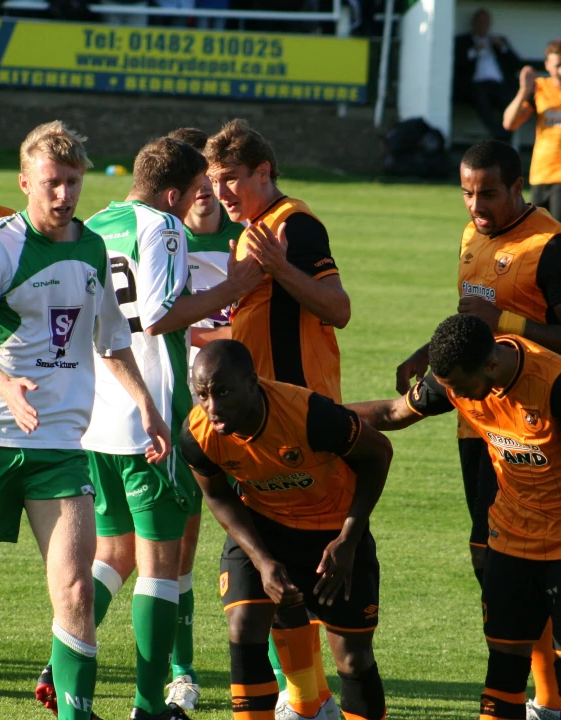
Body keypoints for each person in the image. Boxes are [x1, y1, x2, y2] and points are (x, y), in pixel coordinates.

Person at [36, 135, 262, 720]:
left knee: (108, 554)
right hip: (150, 419)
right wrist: (233, 289)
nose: (197, 204)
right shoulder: (161, 227)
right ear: (172, 193)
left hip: (92, 419)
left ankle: (69, 690)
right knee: (161, 566)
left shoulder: (98, 222)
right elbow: (158, 316)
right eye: (192, 193)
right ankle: (148, 706)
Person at [0, 120, 169, 720]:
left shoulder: (92, 245)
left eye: (72, 183)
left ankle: (75, 713)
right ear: (25, 182)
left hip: (60, 446)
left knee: (75, 589)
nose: (63, 195)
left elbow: (112, 339)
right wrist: (5, 384)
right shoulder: (2, 247)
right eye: (51, 183)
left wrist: (147, 404)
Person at [395, 139, 561, 719]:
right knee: (491, 560)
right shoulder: (472, 236)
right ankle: (533, 692)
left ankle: (549, 697)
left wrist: (510, 321)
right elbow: (471, 318)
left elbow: (506, 324)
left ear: (518, 187)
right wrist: (428, 353)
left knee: (541, 560)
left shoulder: (549, 246)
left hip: (541, 429)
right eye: (466, 192)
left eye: (487, 193)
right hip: (480, 426)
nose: (475, 205)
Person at [205, 118, 351, 719]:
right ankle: (309, 699)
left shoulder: (294, 227)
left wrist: (281, 266)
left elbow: (337, 308)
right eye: (214, 181)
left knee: (301, 571)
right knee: (275, 571)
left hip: (302, 422)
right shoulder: (250, 231)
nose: (221, 193)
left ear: (264, 172)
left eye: (232, 179)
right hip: (256, 424)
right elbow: (264, 316)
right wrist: (215, 334)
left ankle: (314, 698)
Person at [356, 312, 561, 720]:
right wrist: (310, 415)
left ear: (489, 365)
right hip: (510, 545)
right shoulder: (458, 378)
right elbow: (393, 414)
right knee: (503, 673)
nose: (458, 398)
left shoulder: (552, 384)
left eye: (462, 389)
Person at [179, 339, 393, 720]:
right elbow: (217, 496)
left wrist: (348, 539)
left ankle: (317, 705)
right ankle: (303, 705)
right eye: (202, 395)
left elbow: (378, 453)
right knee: (244, 627)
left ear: (252, 382)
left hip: (333, 529)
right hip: (263, 525)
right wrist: (262, 561)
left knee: (353, 657)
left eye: (223, 392)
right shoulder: (197, 434)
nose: (212, 407)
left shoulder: (309, 414)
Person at [162, 126, 244, 711]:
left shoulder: (250, 239)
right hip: (186, 413)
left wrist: (222, 331)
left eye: (213, 181)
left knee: (264, 531)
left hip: (251, 409)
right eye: (195, 184)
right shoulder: (163, 245)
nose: (205, 193)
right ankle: (182, 669)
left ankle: (282, 671)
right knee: (183, 541)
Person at [503, 39, 561, 221]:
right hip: (541, 172)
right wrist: (523, 91)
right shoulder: (540, 88)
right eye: (558, 65)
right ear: (548, 65)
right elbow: (509, 123)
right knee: (537, 237)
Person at [454, 8, 520, 143]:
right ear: (473, 24)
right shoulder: (463, 41)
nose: (483, 25)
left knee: (511, 102)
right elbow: (456, 63)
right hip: (476, 85)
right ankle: (500, 136)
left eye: (485, 22)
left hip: (499, 84)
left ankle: (503, 136)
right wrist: (473, 51)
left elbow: (516, 64)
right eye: (479, 22)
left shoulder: (498, 41)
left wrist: (502, 48)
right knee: (481, 99)